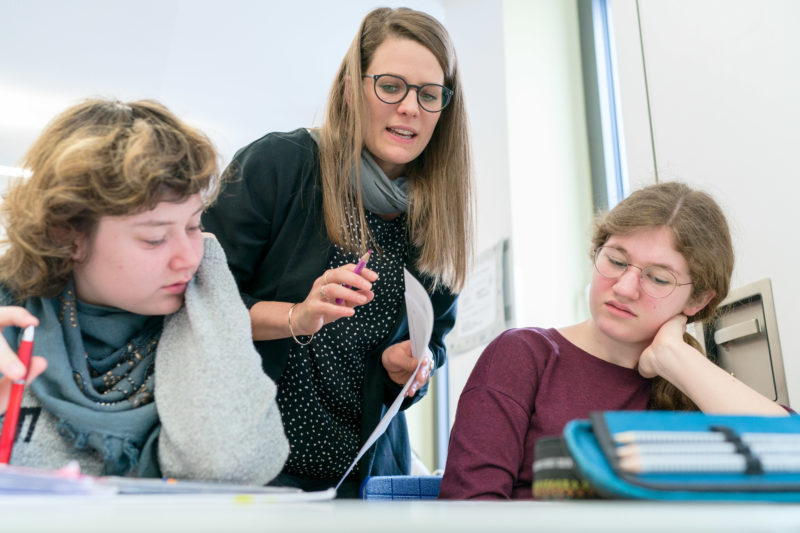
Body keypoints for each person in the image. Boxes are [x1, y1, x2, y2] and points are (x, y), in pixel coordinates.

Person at [202, 7, 473, 496]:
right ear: (352, 89)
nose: (410, 107)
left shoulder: (437, 219)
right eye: (391, 87)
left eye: (429, 95)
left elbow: (432, 345)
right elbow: (195, 307)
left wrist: (409, 369)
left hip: (360, 484)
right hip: (248, 472)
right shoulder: (280, 166)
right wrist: (295, 317)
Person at [439, 182, 788, 500]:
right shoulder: (524, 356)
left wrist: (675, 357)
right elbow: (470, 511)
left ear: (697, 300)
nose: (624, 288)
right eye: (616, 260)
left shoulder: (696, 386)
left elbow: (789, 454)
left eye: (658, 279)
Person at [0, 98, 289, 481]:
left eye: (193, 226)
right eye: (155, 238)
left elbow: (230, 463)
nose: (187, 257)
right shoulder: (9, 319)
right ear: (67, 234)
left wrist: (211, 276)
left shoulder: (200, 317)